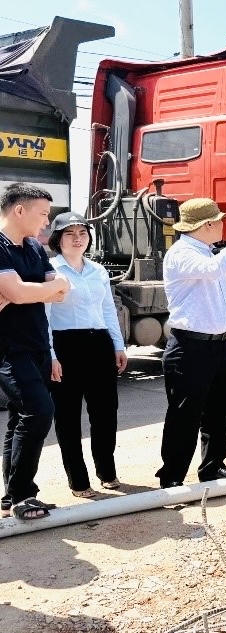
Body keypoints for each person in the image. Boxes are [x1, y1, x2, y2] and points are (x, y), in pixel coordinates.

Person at [156, 198, 226, 488]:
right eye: (220, 220)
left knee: (219, 410)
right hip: (190, 347)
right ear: (207, 225)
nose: (224, 224)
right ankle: (172, 476)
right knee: (184, 415)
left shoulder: (209, 252)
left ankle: (213, 466)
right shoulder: (182, 253)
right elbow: (213, 269)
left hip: (218, 345)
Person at [46, 212, 128, 499]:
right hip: (65, 345)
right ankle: (78, 481)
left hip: (99, 343)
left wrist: (119, 345)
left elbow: (108, 310)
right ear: (57, 239)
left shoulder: (98, 271)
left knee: (106, 413)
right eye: (70, 233)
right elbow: (44, 317)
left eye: (83, 232)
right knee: (68, 417)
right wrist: (51, 355)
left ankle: (107, 472)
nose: (78, 238)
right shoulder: (50, 271)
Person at [0, 183, 70, 520]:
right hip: (8, 349)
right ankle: (23, 495)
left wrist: (32, 291)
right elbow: (17, 291)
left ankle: (10, 494)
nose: (46, 221)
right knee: (38, 411)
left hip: (38, 344)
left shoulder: (33, 247)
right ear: (19, 210)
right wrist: (36, 291)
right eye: (43, 214)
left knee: (19, 419)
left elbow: (60, 286)